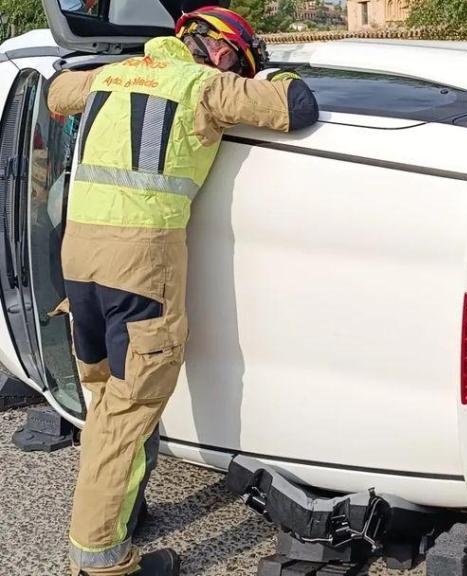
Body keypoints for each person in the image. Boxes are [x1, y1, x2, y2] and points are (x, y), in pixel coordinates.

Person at [47, 6, 319, 575]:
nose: (239, 76)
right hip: (139, 267)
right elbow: (297, 108)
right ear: (222, 52)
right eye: (239, 64)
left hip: (79, 260)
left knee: (107, 400)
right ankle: (100, 562)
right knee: (131, 408)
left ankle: (121, 514)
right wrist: (273, 79)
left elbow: (55, 94)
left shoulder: (113, 75)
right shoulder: (204, 87)